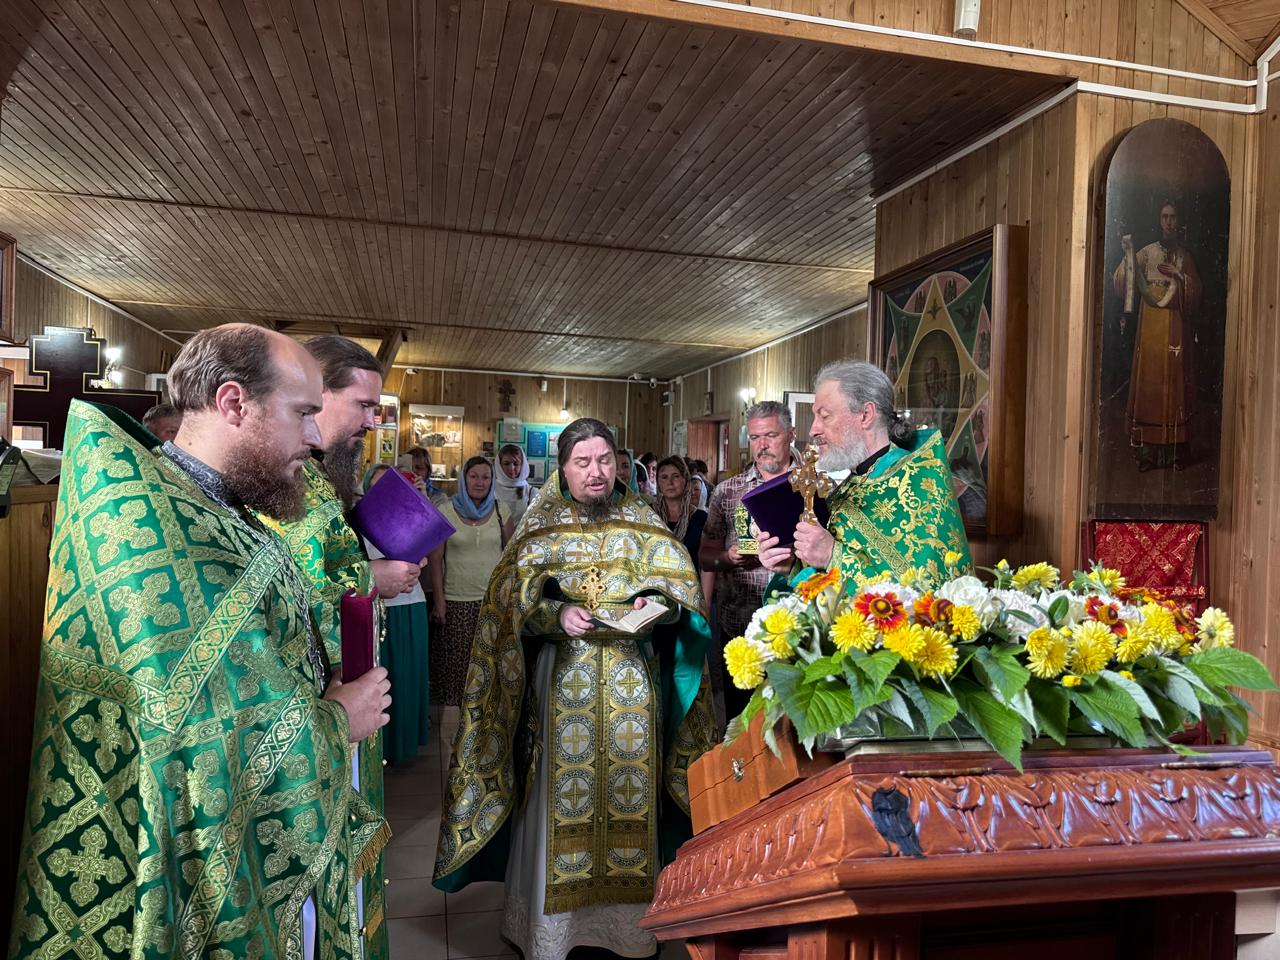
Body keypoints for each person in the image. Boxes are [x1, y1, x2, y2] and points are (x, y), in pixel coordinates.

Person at [9, 324, 391, 958]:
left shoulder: (215, 507)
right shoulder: (157, 531)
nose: (316, 437)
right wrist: (335, 722)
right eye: (303, 414)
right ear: (234, 402)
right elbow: (194, 736)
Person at [433, 418, 715, 960]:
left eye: (604, 460)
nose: (596, 472)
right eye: (583, 462)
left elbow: (681, 596)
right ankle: (553, 932)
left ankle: (627, 928)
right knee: (559, 794)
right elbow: (509, 602)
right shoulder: (539, 526)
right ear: (562, 469)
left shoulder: (643, 521)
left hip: (632, 686)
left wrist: (656, 606)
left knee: (630, 791)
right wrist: (555, 615)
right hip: (563, 683)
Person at [259, 335, 423, 960]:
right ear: (316, 395)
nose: (372, 421)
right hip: (314, 706)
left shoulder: (318, 479)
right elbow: (281, 588)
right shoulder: (286, 482)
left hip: (343, 696)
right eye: (363, 405)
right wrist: (371, 578)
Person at [758, 360, 970, 588]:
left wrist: (832, 555)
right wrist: (792, 566)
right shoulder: (852, 484)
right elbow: (826, 576)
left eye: (825, 416)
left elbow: (925, 589)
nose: (813, 429)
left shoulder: (919, 483)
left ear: (866, 415)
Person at [699, 400, 799, 721]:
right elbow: (706, 556)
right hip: (740, 626)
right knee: (741, 723)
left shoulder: (815, 486)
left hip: (801, 627)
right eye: (755, 437)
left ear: (791, 434)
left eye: (771, 435)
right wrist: (727, 558)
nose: (762, 445)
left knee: (793, 723)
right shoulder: (728, 492)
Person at [1112, 199, 1201, 471]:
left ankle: (1176, 453)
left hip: (1175, 332)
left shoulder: (1185, 257)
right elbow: (1121, 282)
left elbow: (1196, 294)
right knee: (1149, 389)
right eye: (1164, 216)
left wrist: (1180, 276)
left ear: (1179, 221)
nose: (1169, 222)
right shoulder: (1146, 253)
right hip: (1150, 333)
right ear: (1159, 220)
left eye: (1173, 217)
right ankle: (1147, 454)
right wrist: (1128, 258)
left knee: (1175, 389)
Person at [428, 456, 512, 712]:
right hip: (456, 602)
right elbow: (435, 560)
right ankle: (455, 725)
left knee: (489, 664)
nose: (479, 482)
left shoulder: (501, 510)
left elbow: (511, 559)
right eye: (473, 476)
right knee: (456, 669)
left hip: (492, 603)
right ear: (464, 479)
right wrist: (439, 601)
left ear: (492, 480)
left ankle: (485, 719)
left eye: (485, 477)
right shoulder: (446, 511)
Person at [362, 463, 433, 765]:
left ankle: (404, 746)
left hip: (409, 604)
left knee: (406, 678)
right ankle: (382, 749)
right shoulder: (356, 520)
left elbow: (427, 551)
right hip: (375, 606)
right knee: (382, 677)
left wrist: (421, 502)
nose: (382, 492)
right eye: (376, 485)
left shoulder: (409, 516)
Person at [655, 454, 714, 608]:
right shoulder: (648, 516)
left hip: (690, 595)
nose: (670, 482)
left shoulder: (700, 518)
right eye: (664, 477)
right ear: (658, 483)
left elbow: (706, 566)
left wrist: (705, 605)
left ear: (686, 481)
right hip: (655, 596)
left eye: (676, 476)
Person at [495, 442, 532, 527]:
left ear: (522, 465)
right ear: (499, 465)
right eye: (506, 464)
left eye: (516, 464)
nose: (511, 468)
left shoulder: (531, 492)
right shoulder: (490, 490)